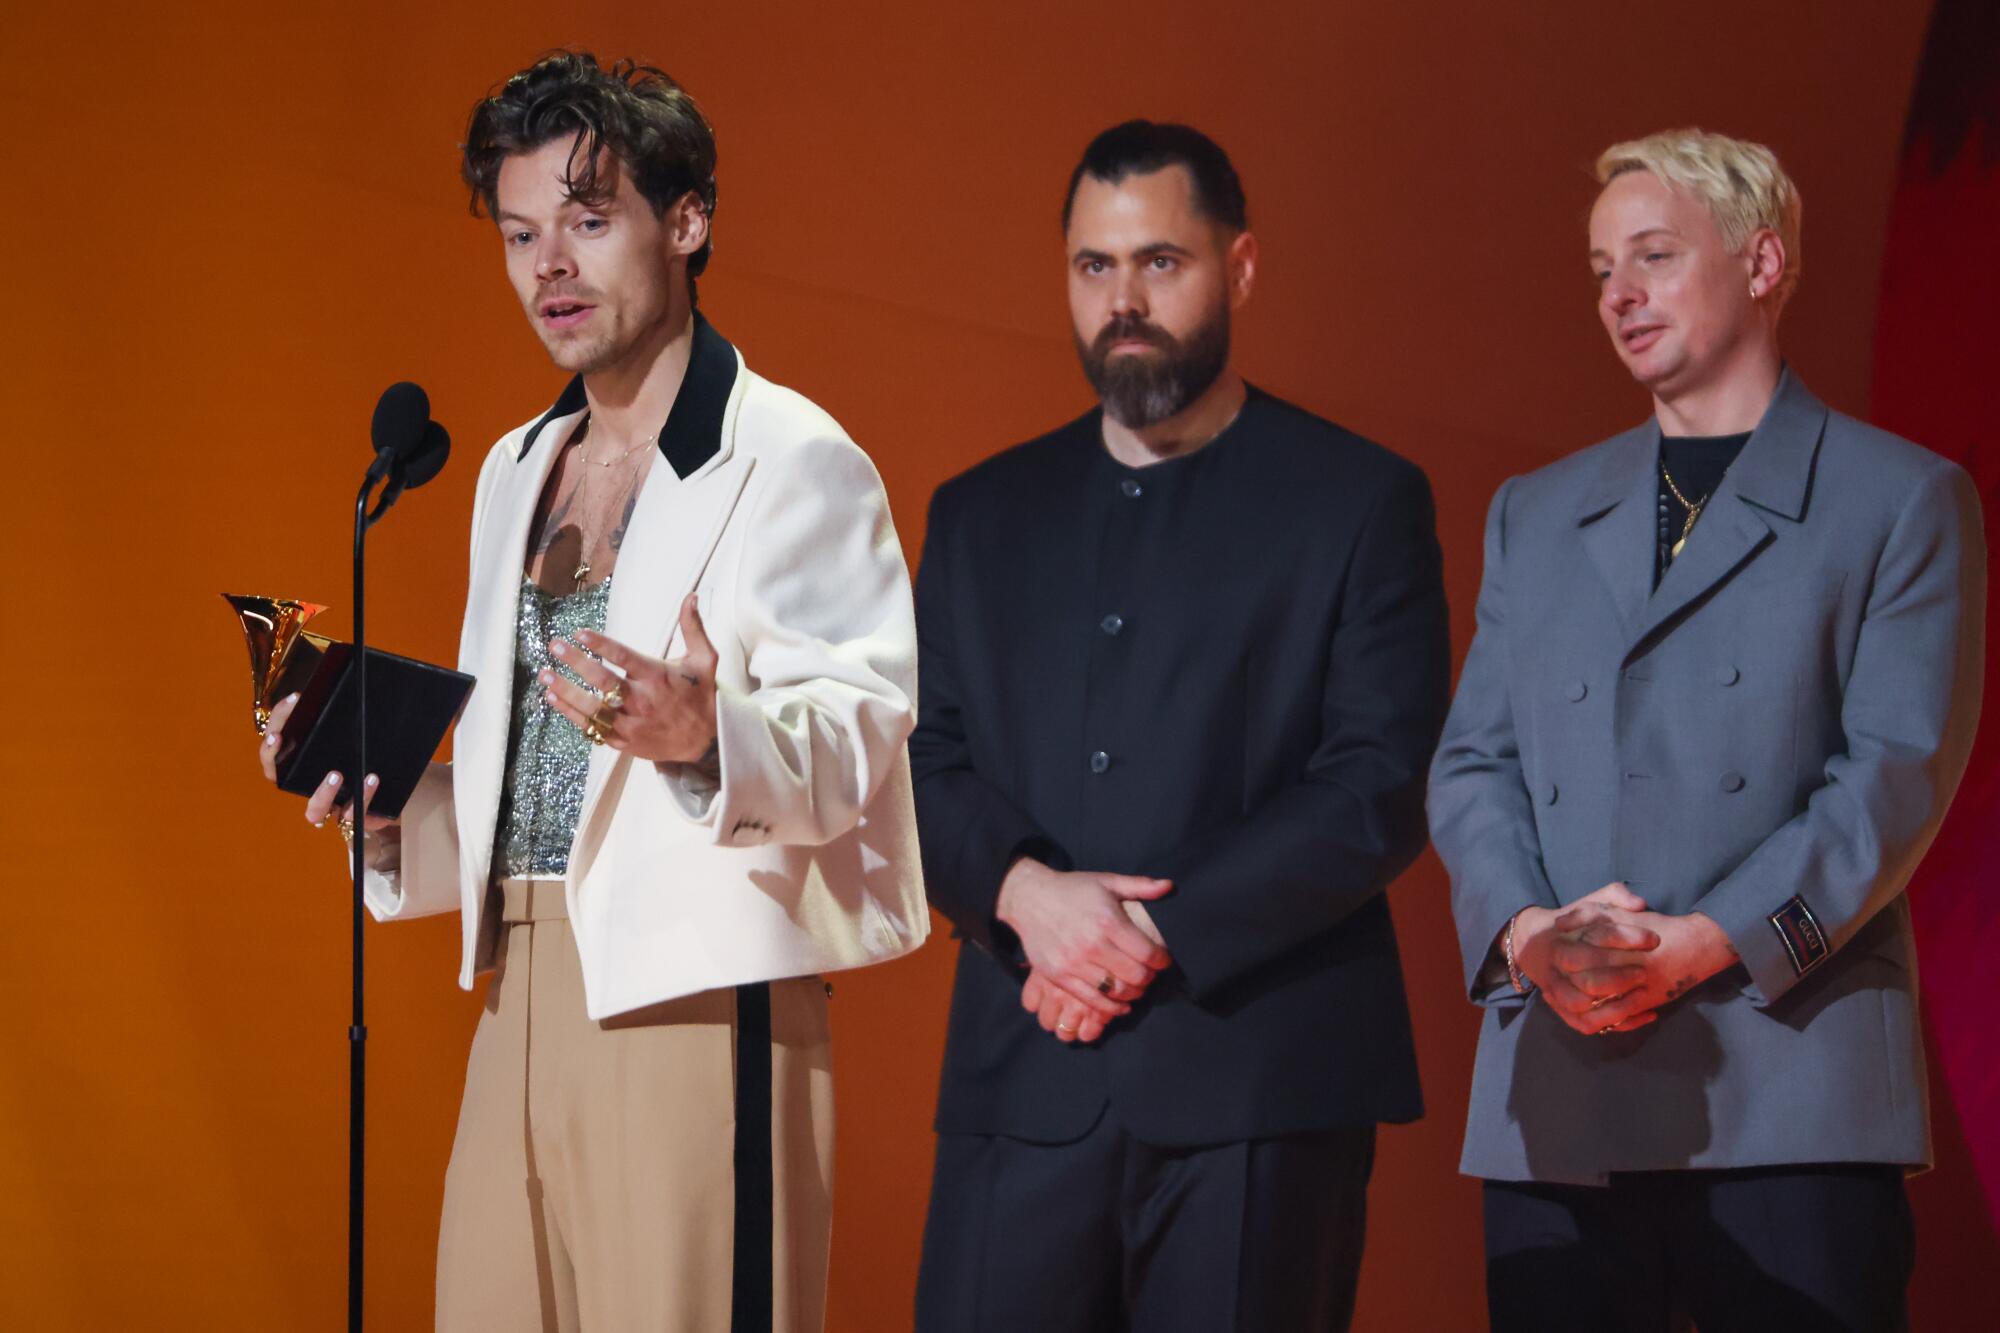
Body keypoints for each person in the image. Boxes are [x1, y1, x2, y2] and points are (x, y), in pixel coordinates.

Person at [253, 51, 927, 1332]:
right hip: (517, 986)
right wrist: (395, 819)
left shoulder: (792, 458)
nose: (547, 266)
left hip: (696, 999)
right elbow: (536, 781)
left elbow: (860, 734)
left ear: (686, 221)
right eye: (520, 234)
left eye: (587, 219)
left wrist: (702, 737)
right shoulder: (517, 464)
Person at [1429, 128, 1985, 1333]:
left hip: (1789, 1086)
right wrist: (1526, 937)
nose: (1616, 293)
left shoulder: (1900, 498)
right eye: (1597, 269)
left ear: (1760, 261)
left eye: (1652, 255)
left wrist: (1701, 942)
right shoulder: (1534, 512)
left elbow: (1890, 778)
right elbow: (1474, 763)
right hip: (1559, 1093)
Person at [910, 120, 1452, 1332]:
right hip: (1021, 1075)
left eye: (1161, 262)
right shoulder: (980, 514)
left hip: (1261, 1084)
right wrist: (1025, 894)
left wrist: (1144, 929)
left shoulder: (1358, 501)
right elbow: (919, 756)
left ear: (1241, 267)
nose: (1124, 301)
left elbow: (1375, 781)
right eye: (1093, 267)